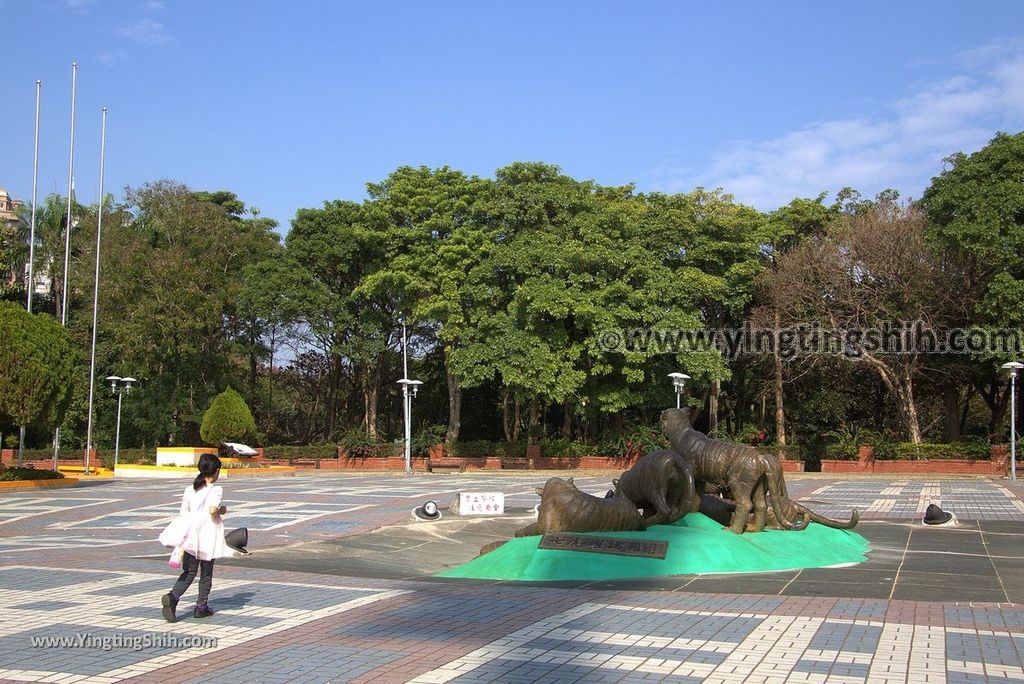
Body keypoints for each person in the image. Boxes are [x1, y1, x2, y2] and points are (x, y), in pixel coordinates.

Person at [161, 453, 231, 622]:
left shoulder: (190, 489)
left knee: (190, 571)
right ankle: (201, 607)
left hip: (190, 536)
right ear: (216, 471)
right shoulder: (216, 489)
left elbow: (183, 513)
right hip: (207, 535)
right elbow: (213, 510)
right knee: (206, 573)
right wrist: (222, 510)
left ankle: (173, 597)